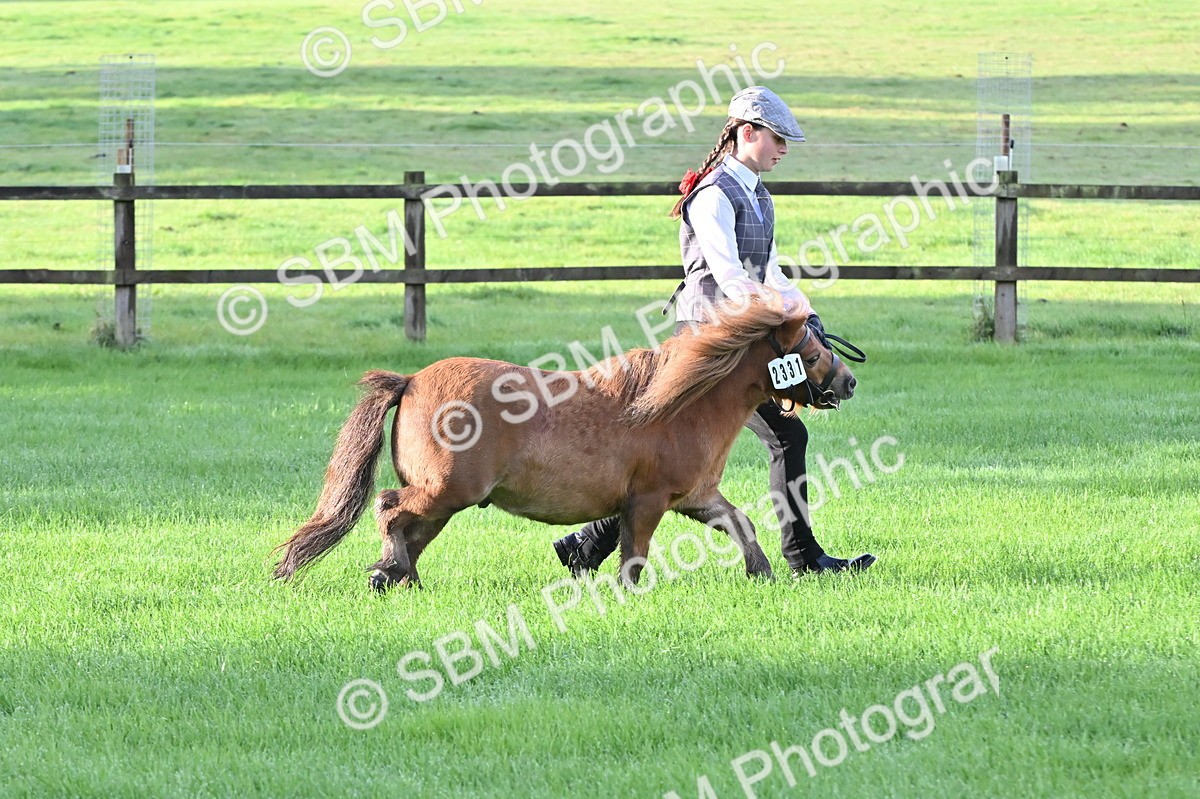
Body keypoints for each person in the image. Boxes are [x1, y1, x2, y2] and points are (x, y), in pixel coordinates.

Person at [551, 86, 876, 579]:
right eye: (777, 138)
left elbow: (768, 273)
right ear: (747, 133)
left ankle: (585, 545)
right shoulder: (712, 195)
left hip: (747, 345)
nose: (784, 149)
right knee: (768, 439)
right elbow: (729, 279)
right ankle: (804, 559)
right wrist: (784, 309)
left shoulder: (760, 196)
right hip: (708, 345)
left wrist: (801, 310)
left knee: (687, 453)